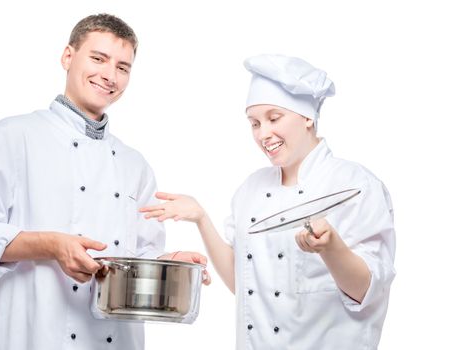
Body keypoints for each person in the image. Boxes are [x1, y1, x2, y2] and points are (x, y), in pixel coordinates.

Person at [0, 13, 208, 350]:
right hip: (35, 334)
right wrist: (51, 245)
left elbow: (139, 254)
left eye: (122, 67)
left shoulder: (135, 164)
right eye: (98, 59)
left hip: (116, 339)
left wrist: (168, 264)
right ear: (68, 57)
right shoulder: (13, 136)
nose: (109, 75)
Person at [140, 54, 396, 349]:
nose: (263, 134)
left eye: (274, 118)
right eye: (254, 123)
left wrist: (331, 248)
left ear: (307, 117)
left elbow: (368, 291)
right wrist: (201, 218)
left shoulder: (354, 184)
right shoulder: (251, 189)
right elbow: (243, 286)